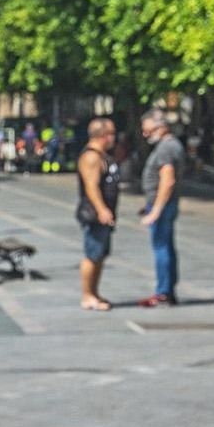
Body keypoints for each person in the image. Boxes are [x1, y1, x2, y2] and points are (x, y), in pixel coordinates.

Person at [139, 113, 186, 307]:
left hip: (163, 205)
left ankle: (163, 292)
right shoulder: (171, 146)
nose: (144, 134)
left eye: (148, 130)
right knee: (166, 246)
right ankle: (167, 290)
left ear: (162, 128)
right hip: (165, 204)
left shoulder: (166, 148)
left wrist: (155, 210)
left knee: (161, 247)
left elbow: (167, 180)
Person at [76, 118, 119, 311]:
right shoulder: (91, 157)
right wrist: (101, 209)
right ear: (102, 135)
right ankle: (87, 295)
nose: (114, 138)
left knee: (100, 254)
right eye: (111, 133)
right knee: (92, 254)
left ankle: (94, 292)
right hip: (94, 214)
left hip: (104, 213)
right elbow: (91, 186)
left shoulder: (102, 155)